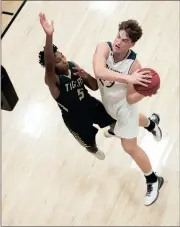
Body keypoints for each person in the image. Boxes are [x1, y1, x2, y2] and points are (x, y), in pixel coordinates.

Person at [93, 19, 164, 206]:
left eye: (124, 40)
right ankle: (151, 124)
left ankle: (153, 180)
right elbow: (99, 71)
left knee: (129, 147)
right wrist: (128, 78)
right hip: (109, 104)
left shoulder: (134, 66)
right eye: (118, 36)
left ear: (132, 44)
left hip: (125, 109)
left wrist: (143, 93)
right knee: (118, 123)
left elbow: (131, 98)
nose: (118, 41)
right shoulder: (103, 48)